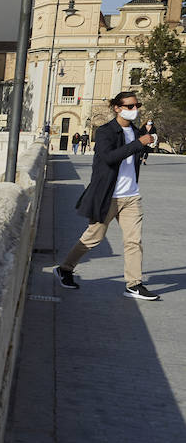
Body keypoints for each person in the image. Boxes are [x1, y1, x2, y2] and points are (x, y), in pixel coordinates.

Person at [56, 91, 161, 300]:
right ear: (117, 108)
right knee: (94, 237)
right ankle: (65, 268)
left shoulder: (134, 131)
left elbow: (133, 158)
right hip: (108, 196)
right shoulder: (105, 131)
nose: (134, 110)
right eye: (130, 106)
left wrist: (145, 142)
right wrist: (139, 143)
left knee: (134, 241)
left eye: (136, 106)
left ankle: (134, 284)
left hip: (131, 196)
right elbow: (109, 158)